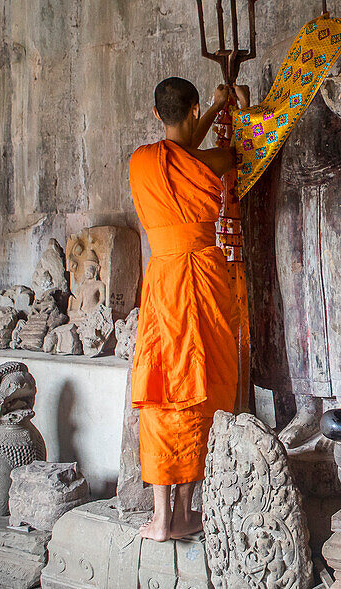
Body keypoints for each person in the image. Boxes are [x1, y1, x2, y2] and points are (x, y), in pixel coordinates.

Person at [128, 77, 248, 541]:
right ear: (195, 110)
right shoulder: (214, 162)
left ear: (157, 114)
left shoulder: (141, 162)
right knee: (205, 386)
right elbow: (202, 157)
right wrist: (230, 108)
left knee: (161, 389)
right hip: (205, 279)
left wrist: (209, 109)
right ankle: (185, 512)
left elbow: (177, 154)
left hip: (163, 285)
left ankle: (161, 520)